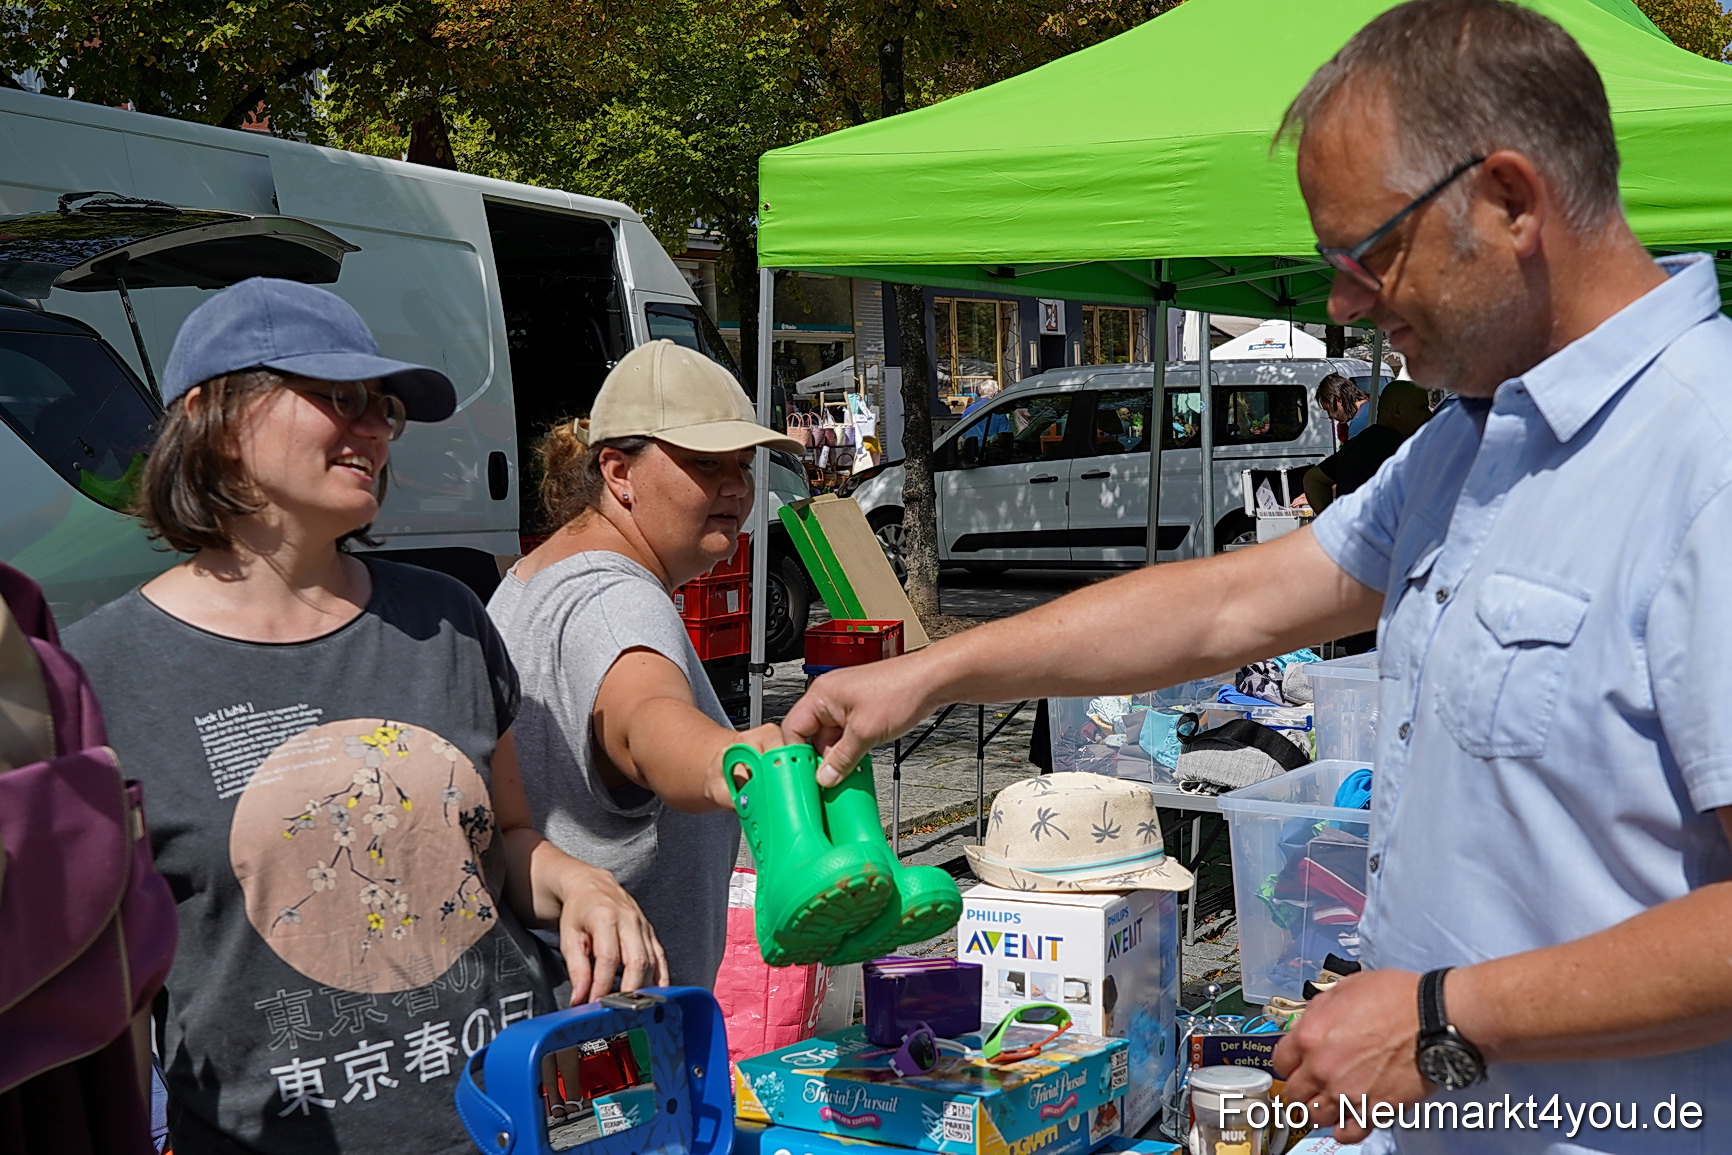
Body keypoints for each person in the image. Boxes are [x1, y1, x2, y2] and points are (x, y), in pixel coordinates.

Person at [783, 2, 1732, 1151]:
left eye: (1362, 253)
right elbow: (1233, 602)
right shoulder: (1470, 440)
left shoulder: (1704, 459)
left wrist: (1443, 1017)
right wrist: (935, 675)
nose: (1339, 302)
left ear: (1511, 201)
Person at [63, 279, 665, 1155]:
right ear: (211, 416)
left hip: (511, 1120)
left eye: (383, 407)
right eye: (338, 398)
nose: (376, 428)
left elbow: (504, 841)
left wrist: (580, 881)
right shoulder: (95, 674)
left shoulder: (449, 618)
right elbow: (94, 987)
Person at [487, 340, 796, 992]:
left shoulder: (534, 575)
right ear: (618, 472)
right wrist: (732, 760)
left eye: (743, 464)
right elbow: (646, 719)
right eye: (706, 463)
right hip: (619, 1049)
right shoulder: (619, 599)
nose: (737, 486)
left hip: (551, 1024)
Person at [1303, 378, 1430, 513]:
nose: (1429, 415)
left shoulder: (1359, 442)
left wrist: (1332, 522)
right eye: (1422, 408)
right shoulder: (1396, 448)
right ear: (1397, 411)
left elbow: (1313, 478)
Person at [1315, 371, 1369, 438]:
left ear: (1338, 400)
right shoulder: (1371, 407)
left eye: (1329, 410)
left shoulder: (1358, 423)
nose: (1330, 416)